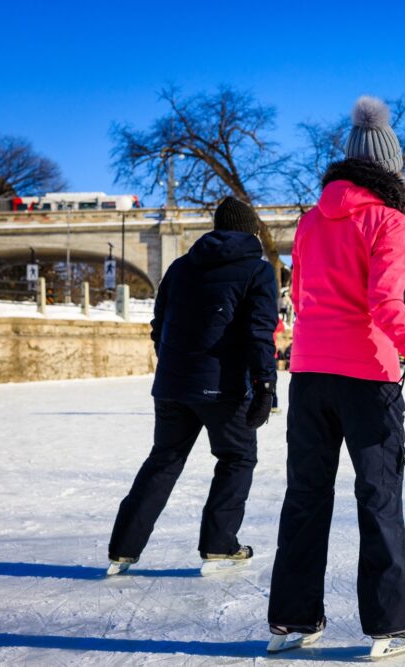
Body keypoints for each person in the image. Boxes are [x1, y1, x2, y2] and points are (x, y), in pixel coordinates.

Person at [266, 97, 405, 658]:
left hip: (309, 375)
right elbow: (384, 304)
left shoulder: (310, 221)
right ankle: (392, 623)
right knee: (378, 497)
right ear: (391, 168)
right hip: (366, 379)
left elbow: (301, 296)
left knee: (305, 497)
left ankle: (292, 619)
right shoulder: (389, 221)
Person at [107, 196, 278, 576]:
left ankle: (123, 548)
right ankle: (219, 543)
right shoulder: (257, 270)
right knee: (237, 458)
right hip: (224, 388)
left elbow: (159, 325)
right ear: (252, 232)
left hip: (172, 384)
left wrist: (175, 365)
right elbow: (259, 332)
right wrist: (265, 384)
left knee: (164, 460)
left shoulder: (180, 267)